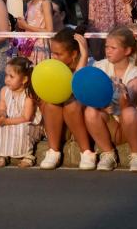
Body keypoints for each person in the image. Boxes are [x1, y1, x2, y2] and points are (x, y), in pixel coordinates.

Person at [84, 26, 137, 172]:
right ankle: (108, 154)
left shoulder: (136, 72)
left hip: (130, 126)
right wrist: (84, 54)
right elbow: (82, 84)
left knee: (129, 113)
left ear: (127, 51)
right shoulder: (100, 66)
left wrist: (123, 92)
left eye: (113, 47)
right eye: (106, 47)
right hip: (110, 124)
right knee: (90, 111)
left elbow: (126, 106)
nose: (108, 50)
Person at [38, 29, 94, 170]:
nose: (54, 57)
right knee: (51, 104)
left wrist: (84, 56)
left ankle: (86, 152)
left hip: (82, 122)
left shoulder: (90, 64)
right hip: (58, 125)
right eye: (53, 53)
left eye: (59, 54)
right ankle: (53, 151)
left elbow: (77, 87)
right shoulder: (53, 68)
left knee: (71, 105)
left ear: (74, 54)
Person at [0, 57, 40, 168]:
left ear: (24, 80)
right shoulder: (4, 90)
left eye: (11, 76)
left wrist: (6, 121)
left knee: (23, 127)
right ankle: (1, 154)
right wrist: (1, 115)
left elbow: (26, 117)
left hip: (28, 123)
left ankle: (27, 154)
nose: (7, 79)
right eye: (6, 75)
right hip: (10, 120)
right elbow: (1, 108)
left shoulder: (28, 94)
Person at [15, 0, 55, 65]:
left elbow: (49, 31)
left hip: (40, 48)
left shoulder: (45, 2)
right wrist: (21, 26)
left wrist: (26, 26)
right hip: (28, 47)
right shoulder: (29, 3)